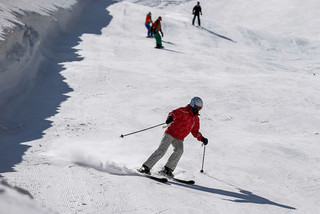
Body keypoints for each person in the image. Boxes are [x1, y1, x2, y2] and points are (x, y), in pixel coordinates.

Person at [138, 97, 208, 178]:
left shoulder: (196, 119)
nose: (198, 110)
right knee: (162, 150)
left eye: (200, 108)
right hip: (170, 133)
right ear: (192, 105)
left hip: (179, 138)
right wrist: (170, 118)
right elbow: (173, 113)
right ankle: (145, 167)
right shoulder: (183, 111)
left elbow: (195, 131)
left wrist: (202, 138)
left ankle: (167, 169)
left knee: (179, 150)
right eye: (196, 107)